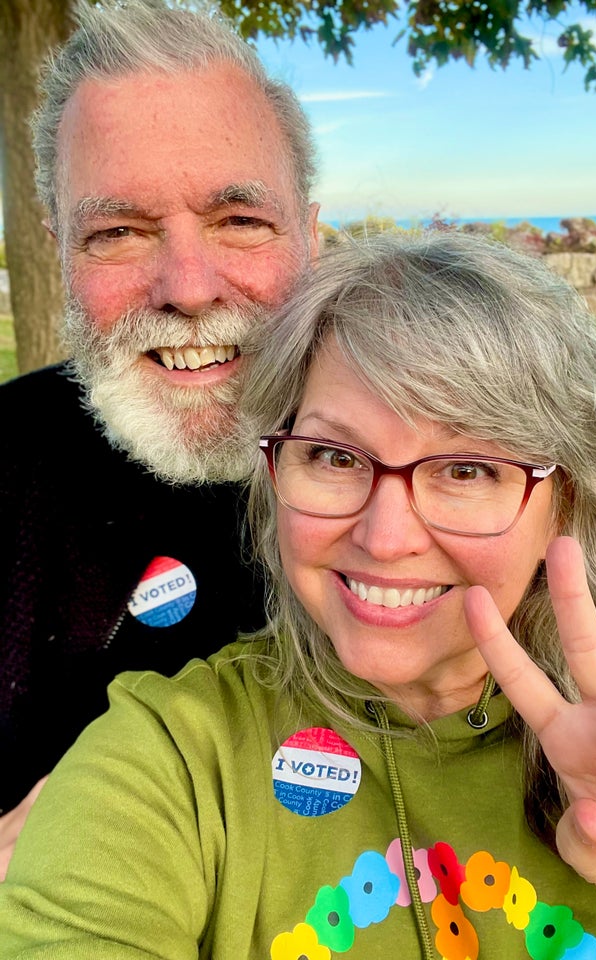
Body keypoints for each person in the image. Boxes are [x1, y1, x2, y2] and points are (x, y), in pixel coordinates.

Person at [2, 233, 596, 958]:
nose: (384, 536)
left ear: (563, 501)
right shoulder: (172, 762)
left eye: (467, 470)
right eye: (336, 457)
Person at [0, 0, 319, 855]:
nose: (186, 285)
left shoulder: (448, 467)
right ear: (57, 249)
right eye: (118, 233)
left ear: (312, 237)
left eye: (239, 220)